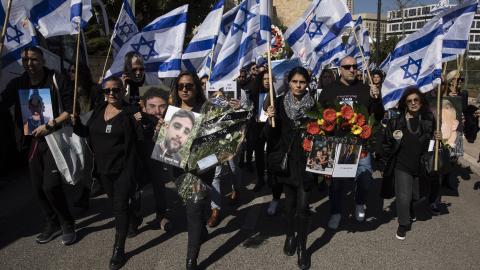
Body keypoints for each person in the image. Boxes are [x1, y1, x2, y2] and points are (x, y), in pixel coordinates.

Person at [0, 46, 76, 245]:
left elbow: (70, 110)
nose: (29, 64)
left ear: (42, 60)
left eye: (33, 59)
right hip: (31, 142)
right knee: (37, 189)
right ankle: (52, 223)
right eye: (25, 60)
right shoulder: (18, 83)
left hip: (54, 139)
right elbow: (2, 103)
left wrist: (50, 124)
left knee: (51, 186)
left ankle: (67, 223)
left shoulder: (56, 80)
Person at [72, 77, 140, 269]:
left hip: (124, 168)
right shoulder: (99, 110)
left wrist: (147, 123)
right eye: (107, 90)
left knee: (118, 206)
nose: (111, 93)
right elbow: (87, 132)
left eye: (115, 90)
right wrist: (76, 123)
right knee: (116, 202)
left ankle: (119, 250)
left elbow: (142, 135)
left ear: (123, 90)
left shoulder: (130, 112)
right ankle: (134, 219)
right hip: (103, 168)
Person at [318, 56, 384, 229]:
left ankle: (360, 203)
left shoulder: (365, 89)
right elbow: (320, 116)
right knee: (337, 184)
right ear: (340, 69)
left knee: (365, 179)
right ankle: (336, 212)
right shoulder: (329, 90)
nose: (352, 69)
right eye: (347, 67)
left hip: (360, 143)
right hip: (338, 143)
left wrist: (377, 99)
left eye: (355, 66)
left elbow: (378, 116)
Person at [265, 66, 315, 270]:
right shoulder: (277, 103)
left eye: (302, 82)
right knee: (289, 206)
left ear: (307, 83)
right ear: (289, 83)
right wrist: (269, 119)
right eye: (295, 81)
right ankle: (289, 234)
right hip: (286, 163)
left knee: (303, 208)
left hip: (307, 163)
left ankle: (302, 248)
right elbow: (269, 136)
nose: (298, 85)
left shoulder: (315, 105)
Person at [382, 87, 440, 240]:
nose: (413, 103)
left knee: (418, 196)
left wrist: (436, 139)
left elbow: (431, 144)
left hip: (421, 165)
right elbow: (387, 143)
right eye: (409, 101)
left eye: (416, 100)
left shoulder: (428, 119)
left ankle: (411, 210)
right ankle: (403, 223)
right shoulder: (395, 122)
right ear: (405, 104)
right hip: (402, 165)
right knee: (403, 196)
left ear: (421, 101)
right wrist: (386, 161)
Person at [169, 71, 207, 270]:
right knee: (192, 206)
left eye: (189, 85)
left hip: (201, 169)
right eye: (181, 86)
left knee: (193, 210)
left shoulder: (207, 110)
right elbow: (167, 146)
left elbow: (221, 145)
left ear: (196, 88)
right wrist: (161, 132)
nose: (184, 89)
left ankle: (191, 259)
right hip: (179, 169)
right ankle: (203, 228)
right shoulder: (172, 110)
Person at [133, 87, 172, 231]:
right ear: (143, 106)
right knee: (135, 188)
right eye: (152, 106)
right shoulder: (136, 117)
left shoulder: (169, 120)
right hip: (137, 159)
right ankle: (134, 217)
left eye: (162, 106)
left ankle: (161, 215)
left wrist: (163, 129)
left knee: (159, 185)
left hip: (156, 160)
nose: (157, 110)